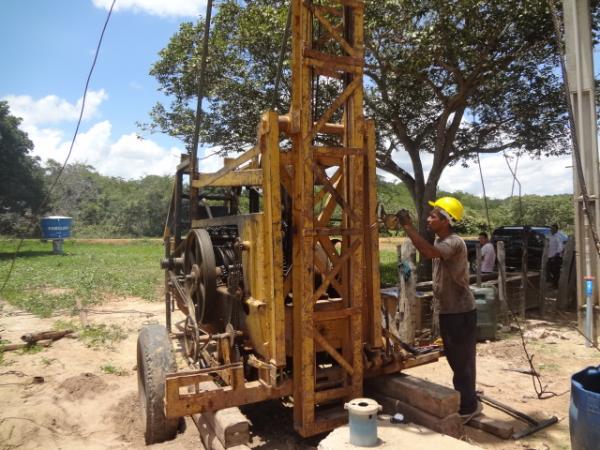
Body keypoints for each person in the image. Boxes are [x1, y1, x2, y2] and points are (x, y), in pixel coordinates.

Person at [397, 197, 482, 423]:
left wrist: (407, 226)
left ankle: (468, 406)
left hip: (460, 311)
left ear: (446, 220)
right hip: (450, 310)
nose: (428, 218)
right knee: (457, 359)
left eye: (433, 216)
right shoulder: (440, 239)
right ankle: (468, 398)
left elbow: (428, 253)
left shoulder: (453, 242)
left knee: (461, 361)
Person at [547, 223, 564, 288]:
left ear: (556, 229)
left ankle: (556, 285)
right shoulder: (551, 236)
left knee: (556, 271)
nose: (551, 230)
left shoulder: (558, 236)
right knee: (550, 270)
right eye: (550, 228)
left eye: (552, 228)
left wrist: (555, 256)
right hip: (550, 256)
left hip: (556, 257)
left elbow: (560, 248)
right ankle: (553, 283)